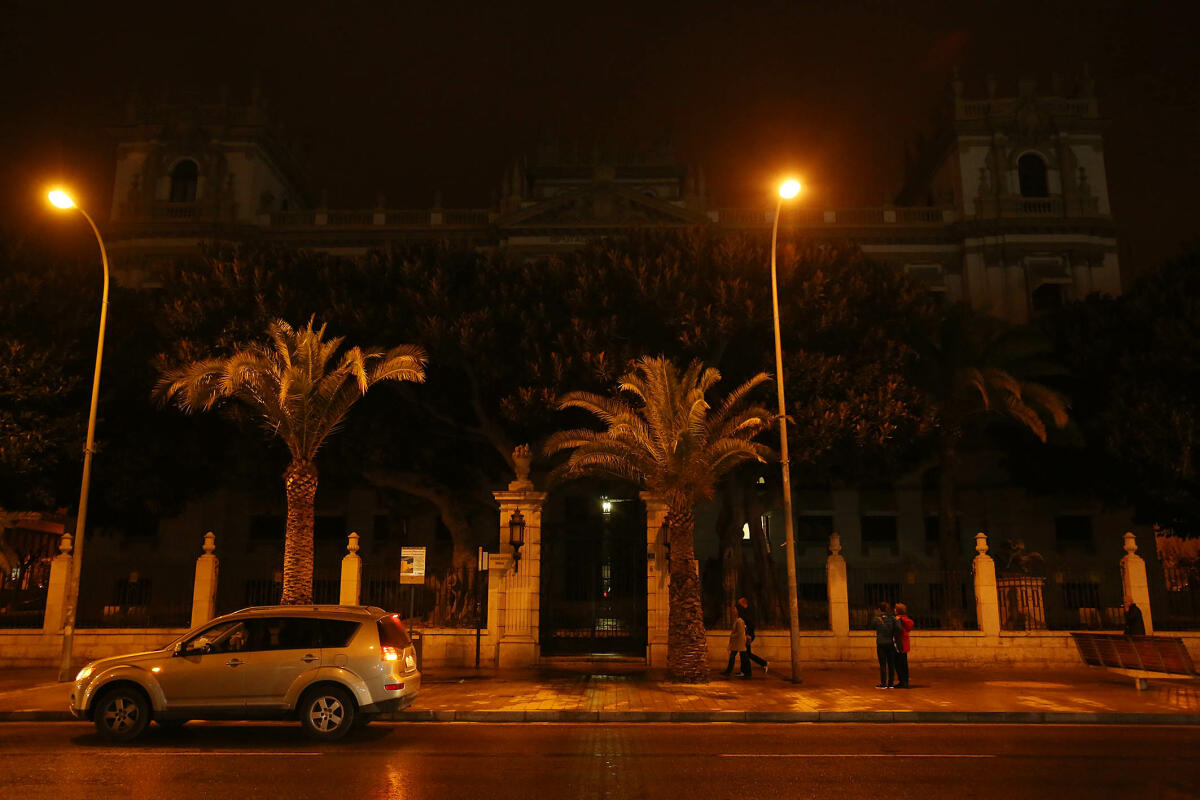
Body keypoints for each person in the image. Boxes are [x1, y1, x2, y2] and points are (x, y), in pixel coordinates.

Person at [870, 601, 899, 689]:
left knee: (882, 664)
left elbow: (871, 626)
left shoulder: (876, 619)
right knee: (891, 664)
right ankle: (891, 683)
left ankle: (883, 683)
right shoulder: (893, 618)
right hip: (890, 643)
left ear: (879, 609)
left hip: (881, 643)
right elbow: (899, 628)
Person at [737, 596, 768, 674]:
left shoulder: (748, 612)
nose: (738, 606)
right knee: (745, 653)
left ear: (743, 603)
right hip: (746, 634)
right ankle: (745, 671)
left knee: (745, 653)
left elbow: (750, 624)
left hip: (748, 635)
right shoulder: (745, 612)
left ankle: (762, 664)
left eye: (739, 604)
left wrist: (749, 634)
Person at [721, 607, 750, 678]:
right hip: (738, 643)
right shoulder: (738, 620)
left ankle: (745, 673)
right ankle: (745, 673)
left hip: (739, 642)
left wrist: (732, 636)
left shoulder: (739, 621)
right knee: (741, 657)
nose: (733, 611)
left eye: (735, 610)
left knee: (739, 657)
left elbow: (740, 632)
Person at [893, 602, 915, 689]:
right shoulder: (898, 619)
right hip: (899, 643)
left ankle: (904, 681)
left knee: (901, 663)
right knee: (899, 663)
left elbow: (910, 624)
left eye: (895, 609)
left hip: (901, 643)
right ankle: (902, 680)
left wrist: (900, 619)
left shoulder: (903, 619)